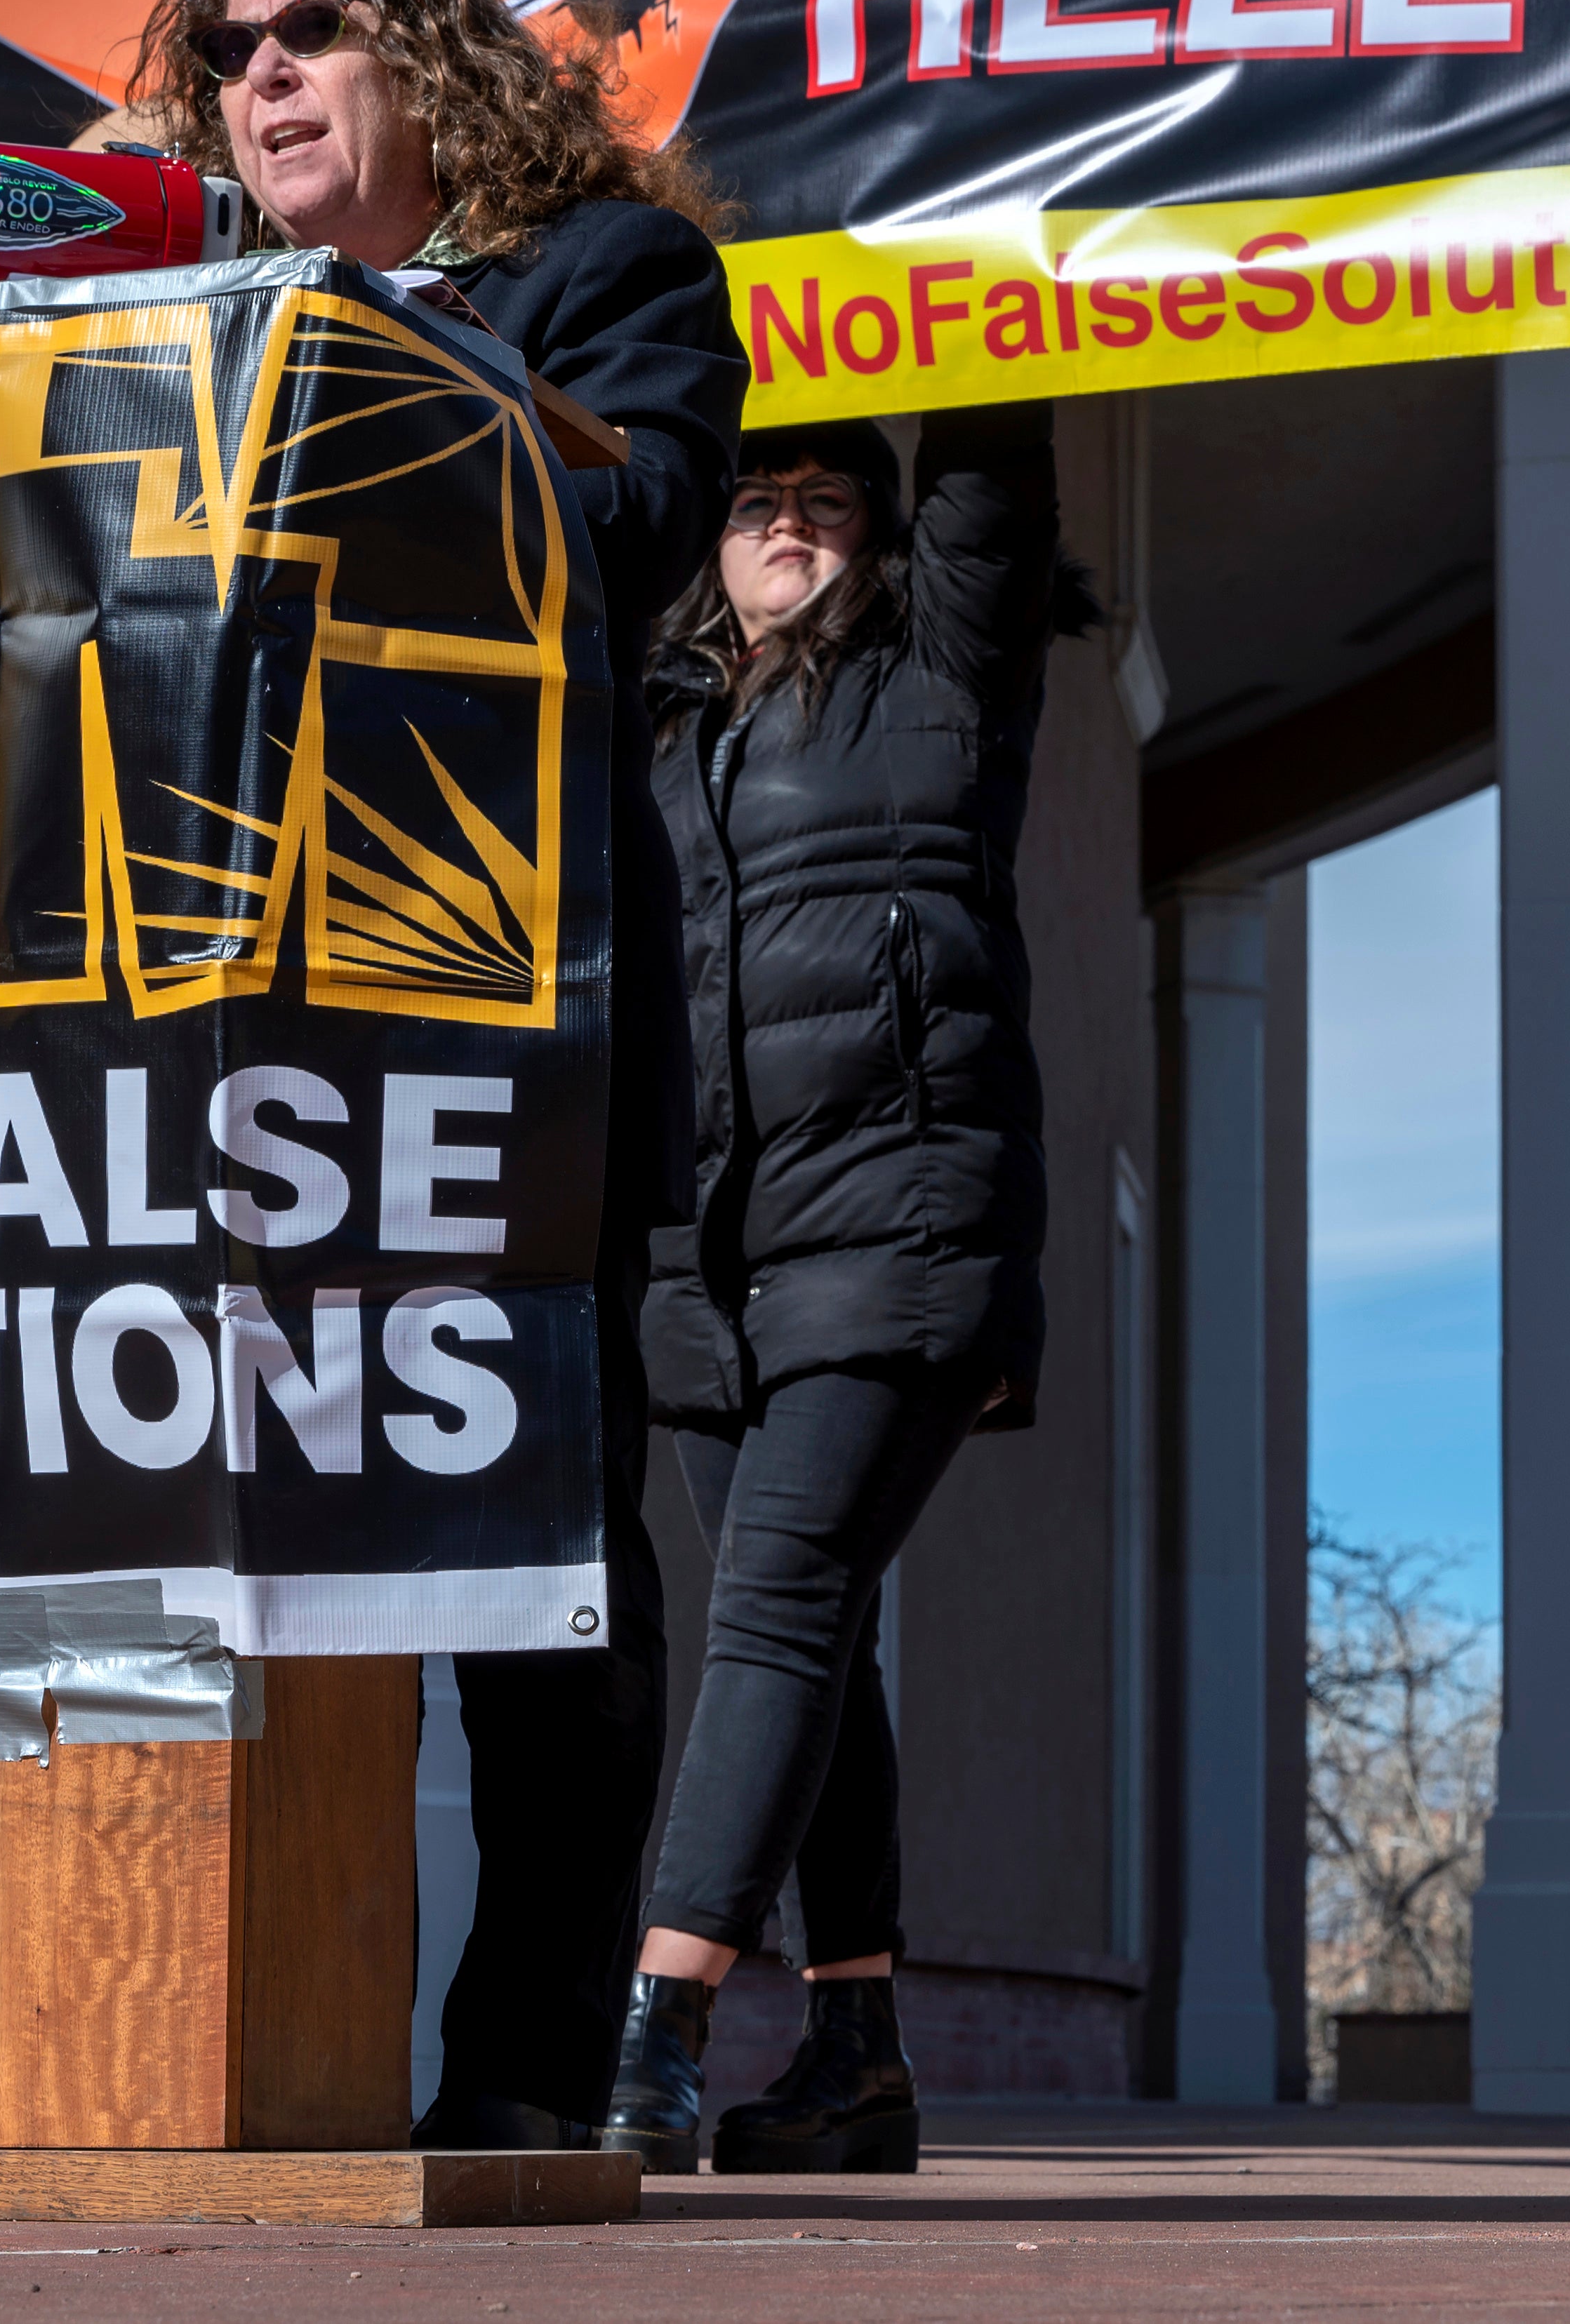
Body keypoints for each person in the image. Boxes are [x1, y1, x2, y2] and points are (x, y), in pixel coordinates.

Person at [129, 0, 745, 2154]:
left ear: (427, 52)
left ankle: (512, 2069)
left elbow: (639, 516)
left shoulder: (609, 279)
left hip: (497, 1026)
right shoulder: (178, 298)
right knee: (209, 1518)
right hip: (202, 1021)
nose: (255, 80)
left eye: (305, 34)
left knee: (530, 1563)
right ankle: (213, 2027)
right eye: (223, 55)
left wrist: (387, 348)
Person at [597, 408, 1089, 2174]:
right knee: (812, 1636)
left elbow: (988, 447)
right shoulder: (654, 722)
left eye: (824, 503)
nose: (787, 526)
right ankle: (857, 2049)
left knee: (780, 1602)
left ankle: (653, 2023)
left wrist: (910, 210)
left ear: (880, 540)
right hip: (712, 1261)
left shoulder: (946, 659)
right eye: (754, 503)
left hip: (904, 1221)